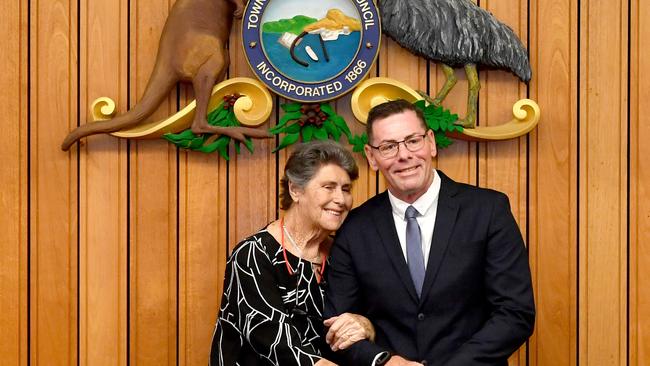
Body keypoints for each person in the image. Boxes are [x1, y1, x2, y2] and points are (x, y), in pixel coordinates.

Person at [323, 100, 535, 365]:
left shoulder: (488, 211)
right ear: (371, 156)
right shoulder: (354, 229)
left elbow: (515, 313)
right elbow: (336, 327)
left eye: (413, 140)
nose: (403, 155)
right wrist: (383, 361)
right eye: (388, 147)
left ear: (431, 143)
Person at [210, 140, 375, 366]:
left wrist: (366, 325)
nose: (340, 199)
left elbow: (375, 312)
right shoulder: (253, 255)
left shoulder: (344, 252)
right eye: (328, 187)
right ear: (295, 190)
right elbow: (277, 345)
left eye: (346, 189)